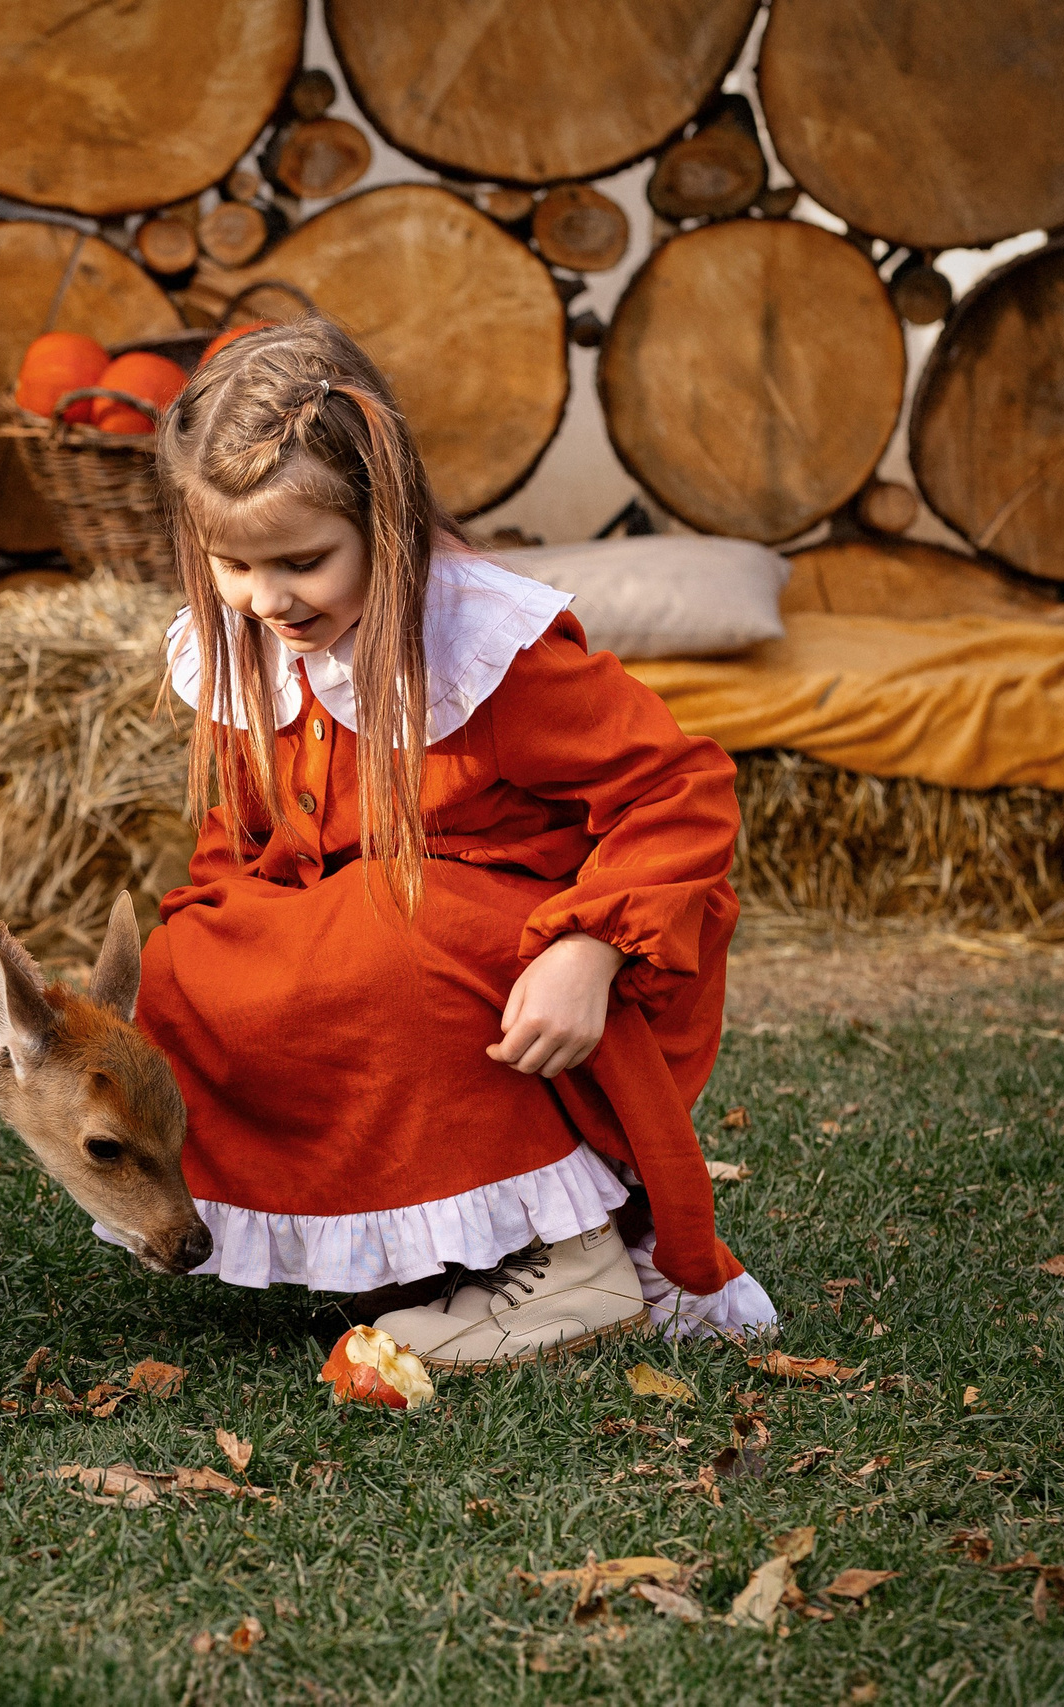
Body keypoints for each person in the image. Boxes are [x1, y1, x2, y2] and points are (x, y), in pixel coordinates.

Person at [135, 317, 772, 1369]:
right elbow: (250, 827)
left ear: (382, 523)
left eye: (301, 562)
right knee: (195, 958)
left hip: (527, 944)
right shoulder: (251, 638)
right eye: (232, 566)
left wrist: (591, 950)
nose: (267, 600)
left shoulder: (491, 650)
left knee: (383, 930)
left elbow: (678, 787)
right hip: (365, 911)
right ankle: (410, 1243)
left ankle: (575, 1262)